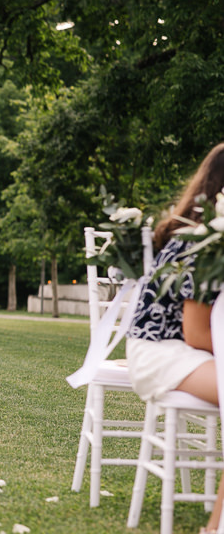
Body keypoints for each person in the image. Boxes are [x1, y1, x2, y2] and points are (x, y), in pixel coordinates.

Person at [125, 142, 224, 534]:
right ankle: (216, 526)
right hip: (163, 353)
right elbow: (196, 332)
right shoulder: (207, 243)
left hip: (183, 348)